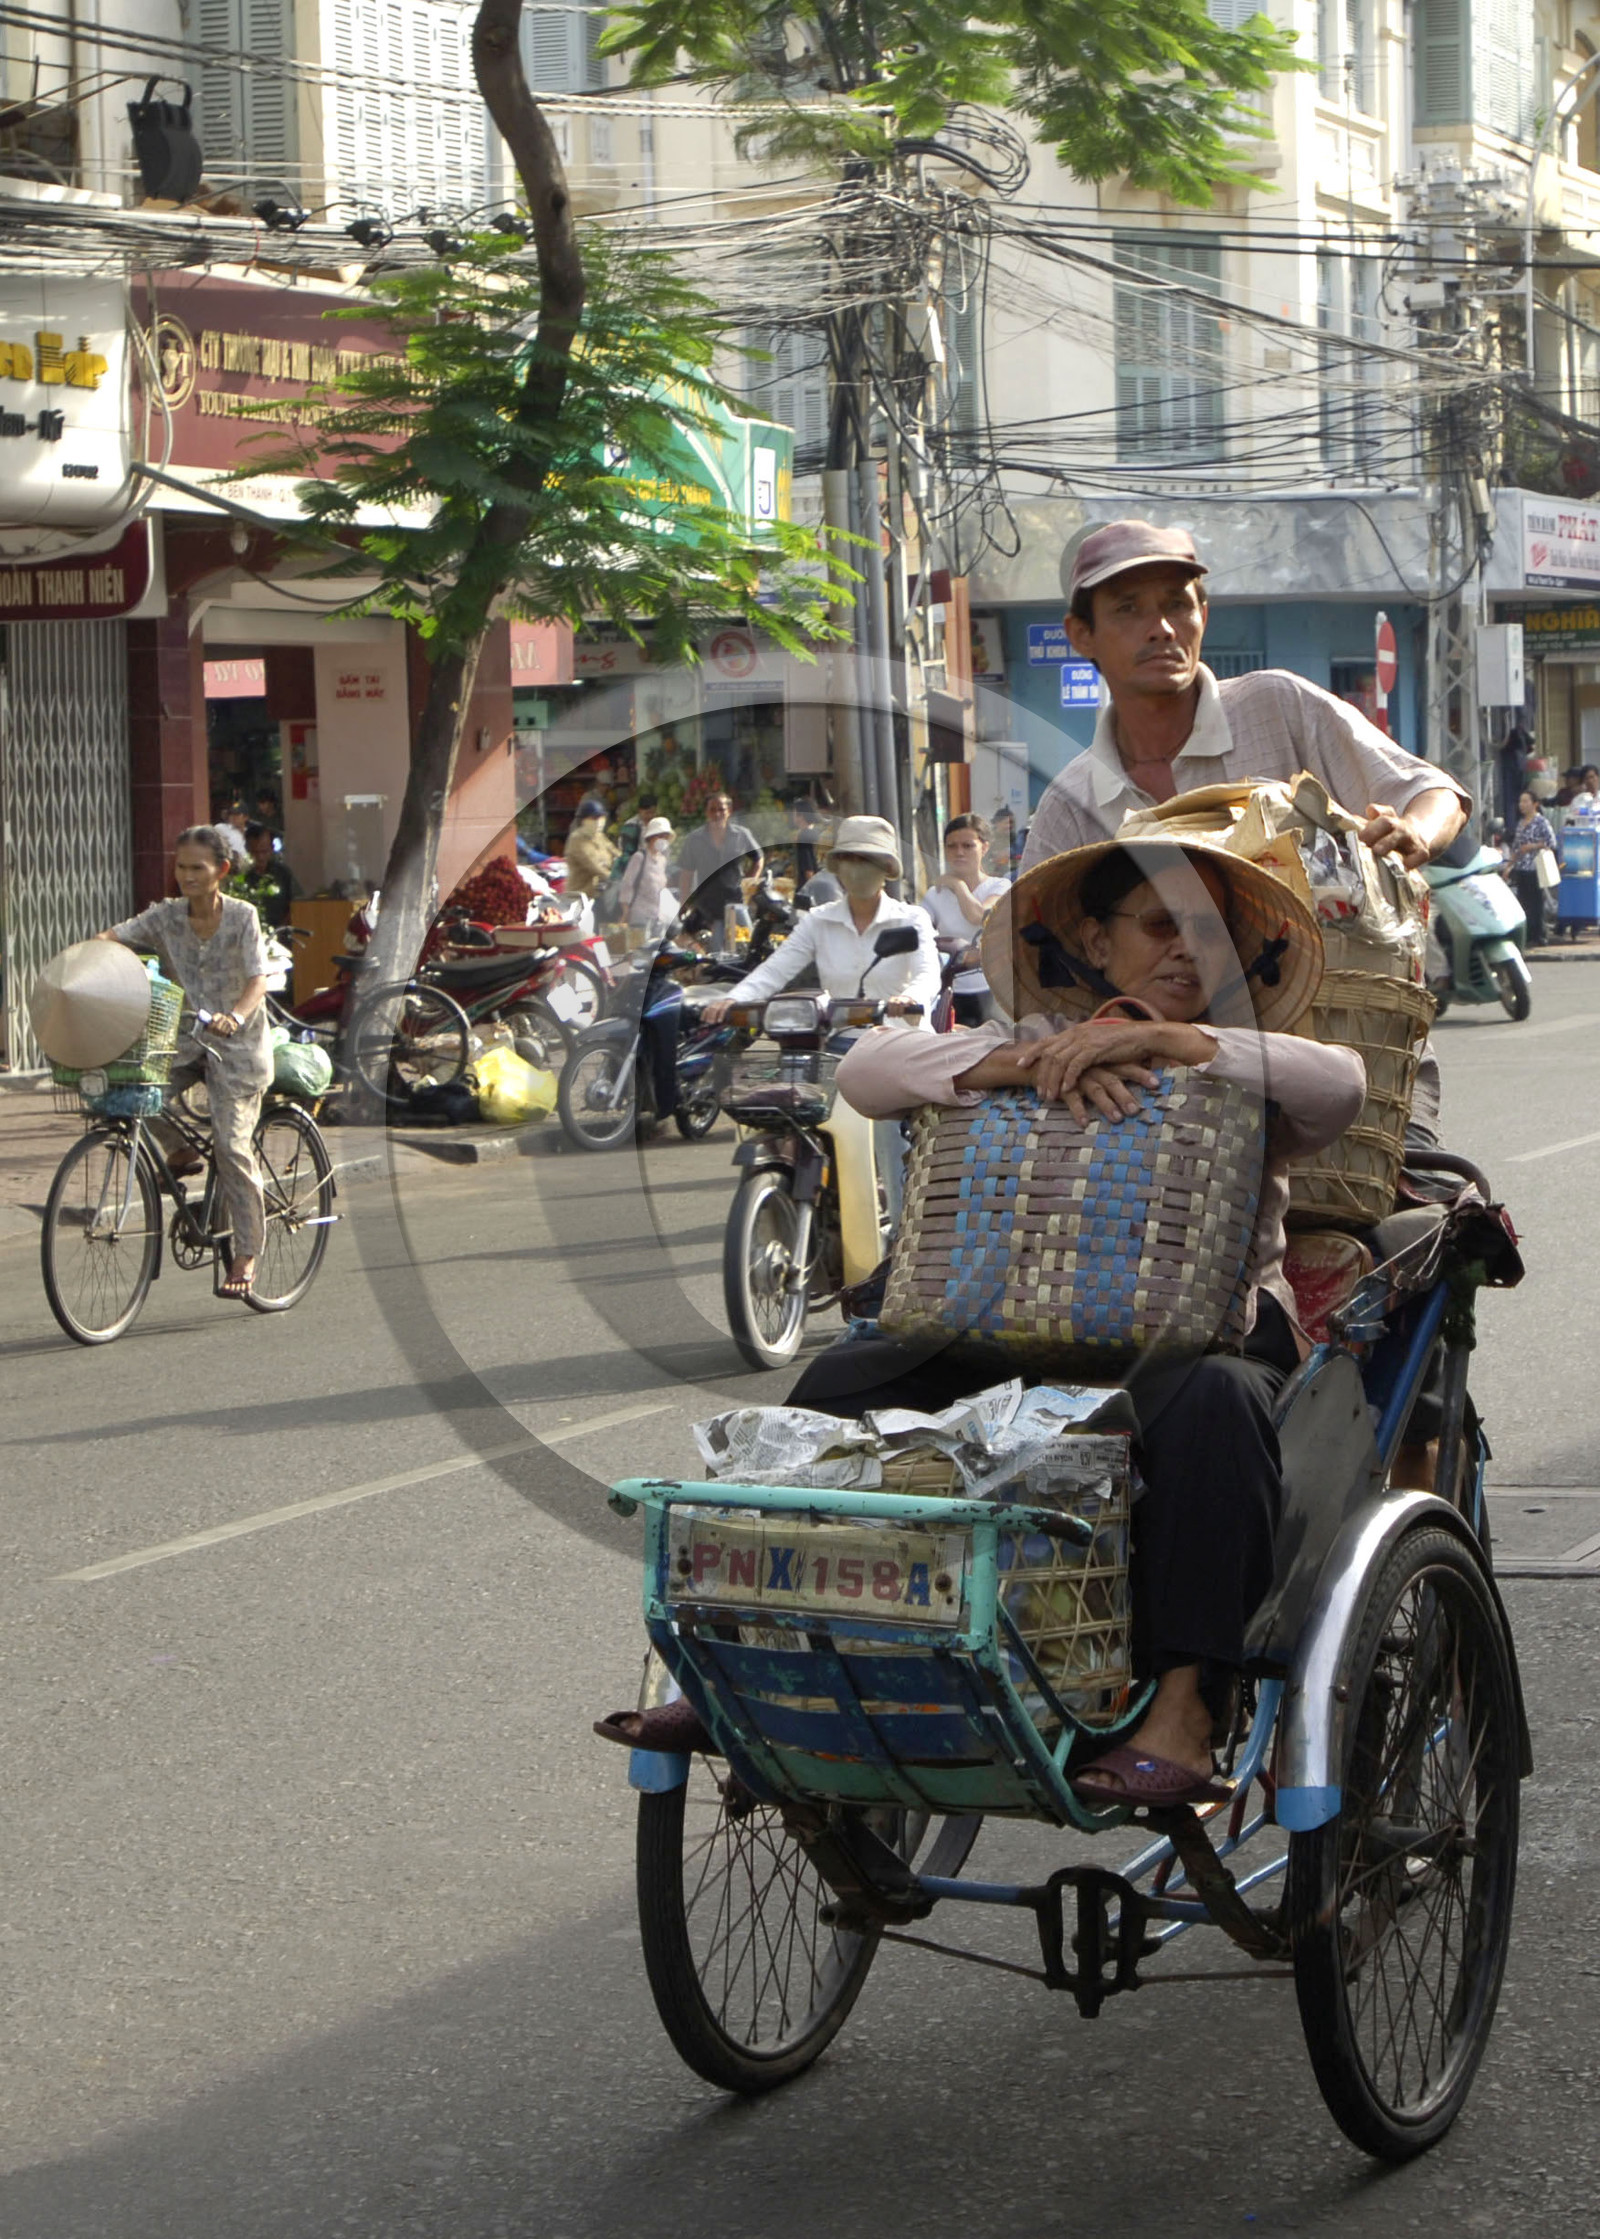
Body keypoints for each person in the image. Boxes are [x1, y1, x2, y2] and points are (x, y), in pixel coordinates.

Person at [801, 838, 1363, 1805]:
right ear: (1097, 943)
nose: (1190, 953)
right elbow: (866, 1073)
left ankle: (1186, 1708)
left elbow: (1341, 1084)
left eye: (1212, 937)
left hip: (1204, 1338)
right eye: (1161, 926)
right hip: (1009, 1334)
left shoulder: (1249, 1064)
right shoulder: (1027, 1031)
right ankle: (791, 1657)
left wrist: (1164, 1043)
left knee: (1216, 1402)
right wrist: (1032, 1063)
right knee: (843, 1382)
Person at [1026, 520, 1468, 1131]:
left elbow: (1430, 789)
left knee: (1421, 1216)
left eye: (1178, 605)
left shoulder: (1278, 706)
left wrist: (1415, 831)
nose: (1161, 628)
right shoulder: (1071, 804)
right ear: (1083, 635)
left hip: (1352, 1071)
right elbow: (1038, 979)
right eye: (1128, 610)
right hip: (1173, 1103)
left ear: (1203, 613)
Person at [703, 815, 942, 1224]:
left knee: (885, 1126)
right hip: (838, 1044)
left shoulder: (910, 919)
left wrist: (909, 998)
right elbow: (776, 969)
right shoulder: (819, 920)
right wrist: (732, 1000)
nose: (854, 866)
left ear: (885, 868)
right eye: (846, 857)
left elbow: (927, 973)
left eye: (864, 858)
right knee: (793, 1105)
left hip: (900, 1041)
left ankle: (904, 1227)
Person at [95, 826, 274, 1301]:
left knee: (232, 1145)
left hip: (238, 1048)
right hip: (185, 1042)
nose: (188, 877)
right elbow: (113, 937)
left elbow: (258, 979)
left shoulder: (242, 917)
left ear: (221, 871)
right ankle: (180, 1151)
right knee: (132, 1094)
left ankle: (248, 1250)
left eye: (198, 868)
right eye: (181, 867)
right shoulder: (166, 917)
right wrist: (84, 961)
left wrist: (235, 1017)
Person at [921, 813, 1011, 1026]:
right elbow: (920, 936)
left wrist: (958, 885)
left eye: (968, 846)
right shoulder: (935, 894)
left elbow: (979, 916)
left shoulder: (1000, 887)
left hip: (991, 991)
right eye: (951, 846)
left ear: (984, 847)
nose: (959, 852)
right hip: (948, 990)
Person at [674, 792, 764, 926]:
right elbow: (686, 874)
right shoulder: (694, 839)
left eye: (721, 810)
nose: (717, 814)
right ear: (706, 812)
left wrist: (749, 883)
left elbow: (759, 858)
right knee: (711, 944)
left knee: (742, 941)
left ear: (729, 811)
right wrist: (683, 903)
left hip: (736, 902)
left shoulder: (741, 835)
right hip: (706, 906)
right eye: (712, 810)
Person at [1506, 789, 1558, 947]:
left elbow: (1551, 843)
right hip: (1522, 868)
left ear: (1535, 804)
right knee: (1524, 902)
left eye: (1525, 801)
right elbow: (1516, 848)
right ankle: (1527, 935)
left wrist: (1533, 846)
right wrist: (1509, 867)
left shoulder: (1541, 822)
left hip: (1536, 867)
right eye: (1520, 801)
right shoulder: (1520, 824)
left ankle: (1539, 935)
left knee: (1536, 903)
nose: (1522, 805)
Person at [616, 815, 678, 929]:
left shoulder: (662, 860)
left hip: (658, 917)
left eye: (666, 837)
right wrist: (625, 911)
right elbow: (627, 885)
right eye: (660, 836)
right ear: (651, 837)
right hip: (640, 915)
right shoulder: (639, 857)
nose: (663, 840)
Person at [234, 820, 293, 930]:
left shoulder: (283, 873)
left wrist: (281, 928)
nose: (260, 857)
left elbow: (295, 904)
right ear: (247, 849)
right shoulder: (241, 876)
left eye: (264, 851)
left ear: (271, 848)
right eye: (255, 852)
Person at [563, 795, 617, 900]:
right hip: (580, 897)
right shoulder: (577, 839)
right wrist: (616, 879)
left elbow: (615, 852)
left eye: (601, 818)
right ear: (583, 820)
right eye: (594, 818)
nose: (598, 822)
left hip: (598, 894)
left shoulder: (599, 836)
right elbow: (593, 866)